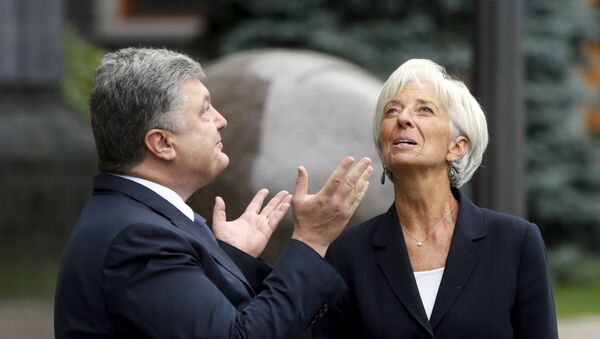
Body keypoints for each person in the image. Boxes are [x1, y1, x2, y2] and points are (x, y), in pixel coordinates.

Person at [54, 47, 373, 339]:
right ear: (162, 144)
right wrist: (312, 240)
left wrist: (232, 260)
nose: (221, 121)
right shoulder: (137, 239)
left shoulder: (136, 219)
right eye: (204, 111)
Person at [312, 59, 558, 338]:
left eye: (424, 110)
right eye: (392, 110)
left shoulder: (517, 242)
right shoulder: (347, 252)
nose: (402, 119)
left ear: (457, 146)